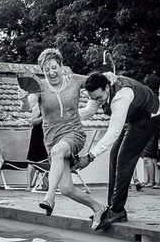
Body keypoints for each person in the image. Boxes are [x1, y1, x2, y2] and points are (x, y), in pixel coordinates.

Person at [19, 49, 107, 228]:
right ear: (42, 71)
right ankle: (98, 208)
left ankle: (49, 197)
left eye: (54, 67)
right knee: (66, 189)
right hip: (52, 140)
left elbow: (95, 80)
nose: (51, 72)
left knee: (60, 150)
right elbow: (27, 107)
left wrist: (110, 78)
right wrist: (23, 100)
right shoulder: (40, 87)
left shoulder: (74, 80)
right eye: (46, 70)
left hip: (74, 133)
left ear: (61, 66)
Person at [75, 72, 160, 230]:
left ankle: (117, 211)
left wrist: (90, 156)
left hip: (149, 117)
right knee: (114, 156)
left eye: (99, 98)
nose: (97, 101)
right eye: (93, 98)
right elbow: (89, 111)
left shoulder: (121, 96)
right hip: (133, 118)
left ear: (107, 87)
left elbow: (113, 133)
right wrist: (67, 116)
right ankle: (114, 209)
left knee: (124, 160)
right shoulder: (98, 88)